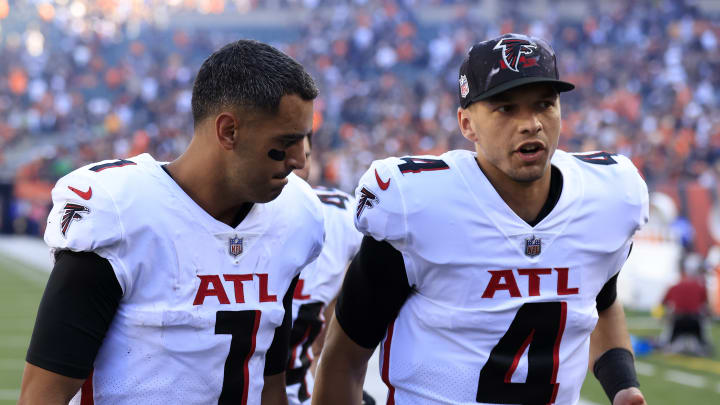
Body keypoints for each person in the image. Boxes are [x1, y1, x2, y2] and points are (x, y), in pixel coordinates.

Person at [313, 33, 649, 405]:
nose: (531, 123)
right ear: (467, 123)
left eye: (544, 104)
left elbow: (602, 299)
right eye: (506, 108)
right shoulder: (417, 207)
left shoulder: (606, 197)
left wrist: (623, 386)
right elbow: (343, 360)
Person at [18, 39, 325, 405]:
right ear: (228, 131)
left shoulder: (294, 216)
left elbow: (270, 381)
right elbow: (43, 395)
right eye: (286, 141)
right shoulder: (119, 211)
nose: (298, 160)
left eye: (303, 140)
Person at [286, 135, 365, 405]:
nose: (295, 165)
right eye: (279, 152)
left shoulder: (336, 219)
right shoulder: (216, 219)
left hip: (298, 393)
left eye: (305, 157)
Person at [660, 253, 712, 356]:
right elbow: (706, 307)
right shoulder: (700, 287)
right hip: (695, 322)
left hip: (678, 322)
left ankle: (667, 343)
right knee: (704, 339)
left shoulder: (674, 286)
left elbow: (662, 304)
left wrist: (665, 316)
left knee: (666, 342)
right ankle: (702, 345)